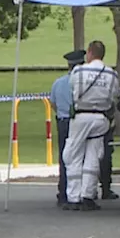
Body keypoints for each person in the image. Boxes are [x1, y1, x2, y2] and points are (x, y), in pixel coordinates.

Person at [63, 40, 120, 211]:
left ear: (89, 53)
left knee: (73, 155)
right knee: (93, 156)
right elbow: (114, 96)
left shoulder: (79, 70)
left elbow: (72, 88)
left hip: (81, 116)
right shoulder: (112, 74)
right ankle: (88, 195)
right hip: (100, 119)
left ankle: (73, 197)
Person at [51, 49, 85, 208]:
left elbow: (53, 103)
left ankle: (63, 192)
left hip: (63, 121)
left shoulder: (58, 82)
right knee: (80, 158)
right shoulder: (81, 83)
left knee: (64, 157)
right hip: (78, 121)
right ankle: (80, 192)